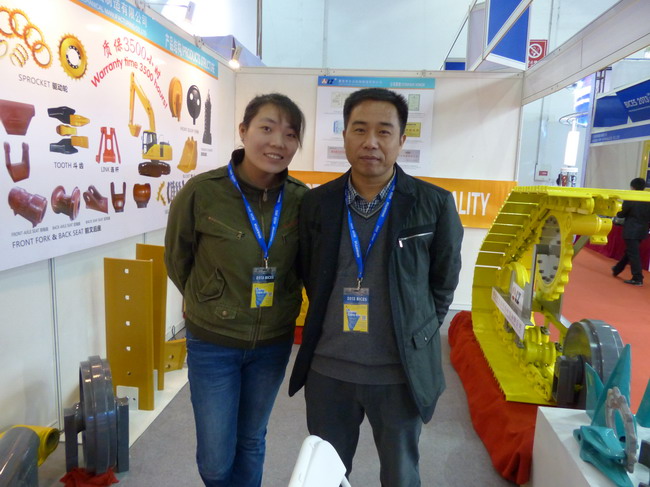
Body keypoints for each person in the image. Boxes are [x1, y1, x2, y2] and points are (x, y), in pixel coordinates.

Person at [289, 88, 463, 486]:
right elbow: (309, 272)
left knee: (401, 476)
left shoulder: (433, 204)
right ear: (344, 135)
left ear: (401, 140)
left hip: (398, 373)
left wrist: (416, 333)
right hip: (329, 370)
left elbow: (443, 283)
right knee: (326, 476)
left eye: (384, 131)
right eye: (359, 129)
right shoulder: (318, 204)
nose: (371, 142)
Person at [164, 93, 308, 487]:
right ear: (243, 131)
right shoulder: (202, 192)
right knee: (215, 460)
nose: (278, 142)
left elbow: (306, 266)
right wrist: (208, 297)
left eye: (290, 134)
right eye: (267, 128)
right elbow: (178, 259)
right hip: (214, 341)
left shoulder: (301, 200)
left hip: (273, 343)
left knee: (251, 440)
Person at [611, 177, 650, 286]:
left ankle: (638, 278)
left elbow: (621, 214)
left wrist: (617, 212)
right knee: (631, 251)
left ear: (633, 187)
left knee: (633, 254)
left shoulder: (631, 198)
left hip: (631, 230)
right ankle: (617, 269)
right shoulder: (648, 198)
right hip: (643, 230)